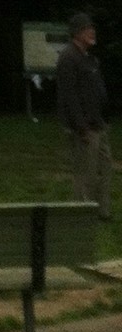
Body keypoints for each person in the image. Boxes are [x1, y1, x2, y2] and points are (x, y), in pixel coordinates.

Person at [56, 12, 111, 219]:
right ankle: (80, 214)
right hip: (85, 127)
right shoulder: (68, 58)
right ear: (77, 33)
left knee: (104, 167)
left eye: (92, 28)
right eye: (88, 29)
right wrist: (81, 128)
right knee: (84, 172)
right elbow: (69, 97)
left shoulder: (88, 58)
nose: (92, 32)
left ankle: (101, 211)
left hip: (99, 124)